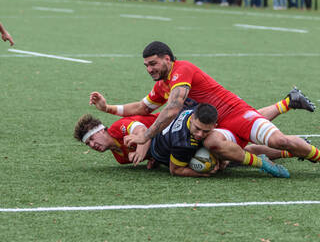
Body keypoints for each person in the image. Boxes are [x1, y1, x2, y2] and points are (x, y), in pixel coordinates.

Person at [89, 42, 318, 173]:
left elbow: (172, 108)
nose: (149, 69)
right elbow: (141, 106)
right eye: (146, 65)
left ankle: (311, 153)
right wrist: (107, 107)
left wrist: (145, 136)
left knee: (280, 140)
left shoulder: (182, 69)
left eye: (153, 63)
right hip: (212, 125)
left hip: (234, 113)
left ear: (167, 59)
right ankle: (266, 163)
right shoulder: (161, 86)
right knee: (213, 144)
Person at [75, 103, 291, 177]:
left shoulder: (116, 128)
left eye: (92, 138)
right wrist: (151, 158)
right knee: (240, 145)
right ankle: (288, 151)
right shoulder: (119, 158)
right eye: (89, 144)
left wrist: (143, 146)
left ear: (101, 129)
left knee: (242, 128)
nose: (93, 145)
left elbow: (142, 128)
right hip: (174, 144)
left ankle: (285, 106)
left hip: (177, 129)